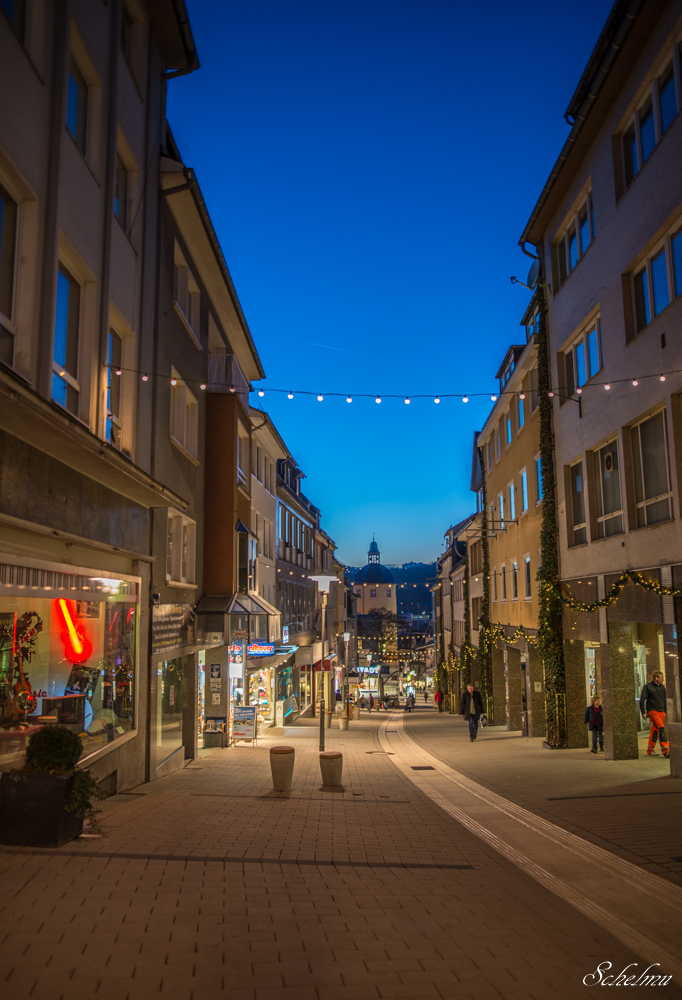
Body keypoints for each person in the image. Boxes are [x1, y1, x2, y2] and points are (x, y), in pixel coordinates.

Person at [640, 671, 669, 758]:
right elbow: (642, 699)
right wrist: (643, 712)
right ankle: (666, 751)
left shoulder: (662, 688)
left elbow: (664, 699)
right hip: (652, 711)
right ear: (656, 678)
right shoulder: (648, 687)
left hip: (661, 711)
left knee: (655, 730)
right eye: (661, 678)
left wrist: (665, 711)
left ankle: (650, 749)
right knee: (661, 728)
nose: (662, 679)